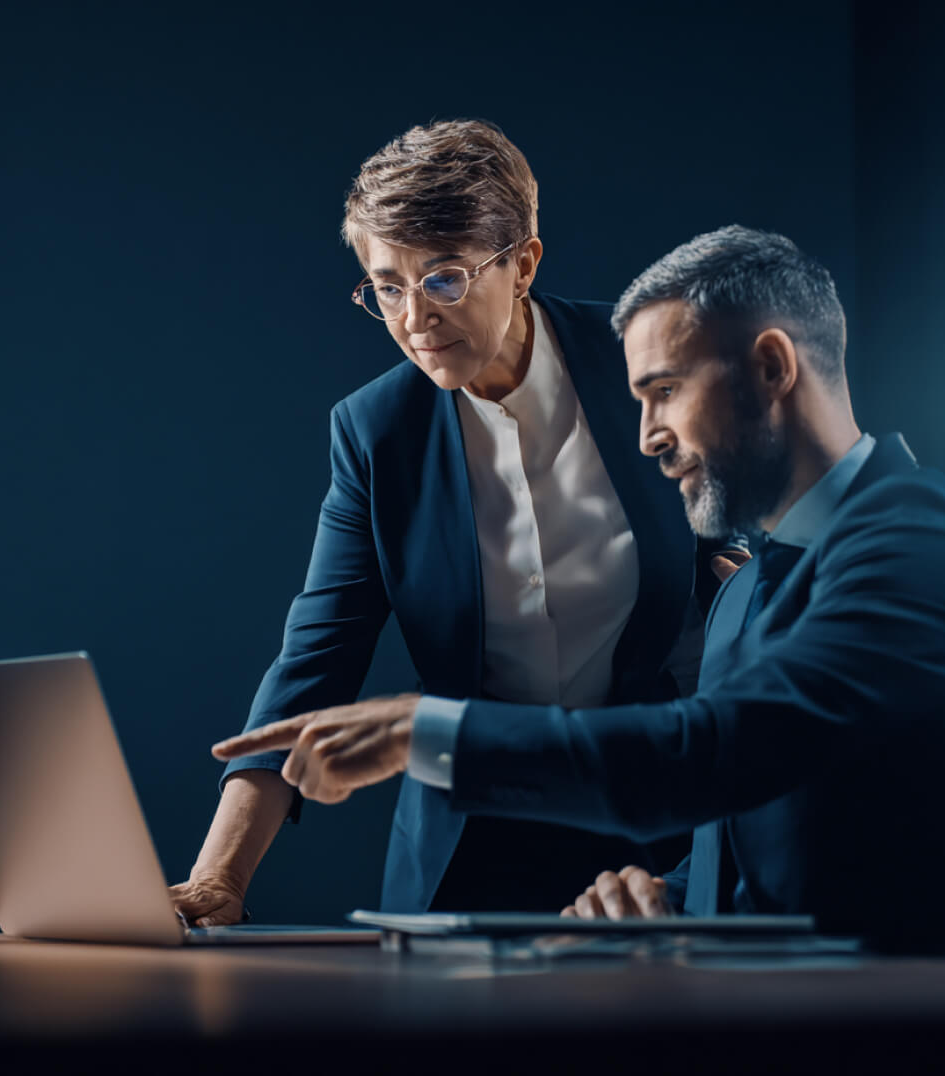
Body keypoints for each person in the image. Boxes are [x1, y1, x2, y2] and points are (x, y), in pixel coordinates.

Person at [214, 225, 945, 955]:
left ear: (770, 368)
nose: (648, 437)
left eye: (663, 393)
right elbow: (768, 810)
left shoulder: (917, 542)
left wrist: (426, 733)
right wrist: (661, 894)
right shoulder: (746, 587)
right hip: (791, 1014)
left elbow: (724, 750)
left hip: (932, 1027)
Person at [171, 120, 713, 924]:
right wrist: (217, 877)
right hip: (469, 846)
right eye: (387, 287)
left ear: (523, 263)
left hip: (658, 829)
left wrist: (716, 855)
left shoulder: (652, 365)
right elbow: (316, 659)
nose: (414, 317)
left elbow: (751, 601)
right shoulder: (375, 432)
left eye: (445, 279)